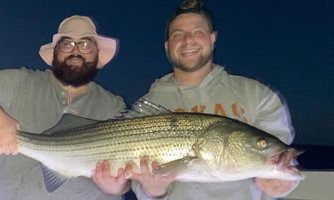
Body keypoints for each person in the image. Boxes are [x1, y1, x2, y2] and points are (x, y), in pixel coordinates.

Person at [128, 0, 300, 199]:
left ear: (213, 38)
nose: (188, 40)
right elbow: (137, 186)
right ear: (168, 46)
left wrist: (281, 182)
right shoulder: (147, 106)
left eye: (198, 32)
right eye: (178, 34)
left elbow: (281, 166)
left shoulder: (259, 96)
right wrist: (152, 191)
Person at [0, 15, 129, 200]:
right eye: (67, 44)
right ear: (55, 52)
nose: (76, 51)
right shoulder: (20, 82)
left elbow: (124, 183)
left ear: (97, 53)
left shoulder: (114, 105)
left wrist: (117, 187)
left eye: (85, 44)